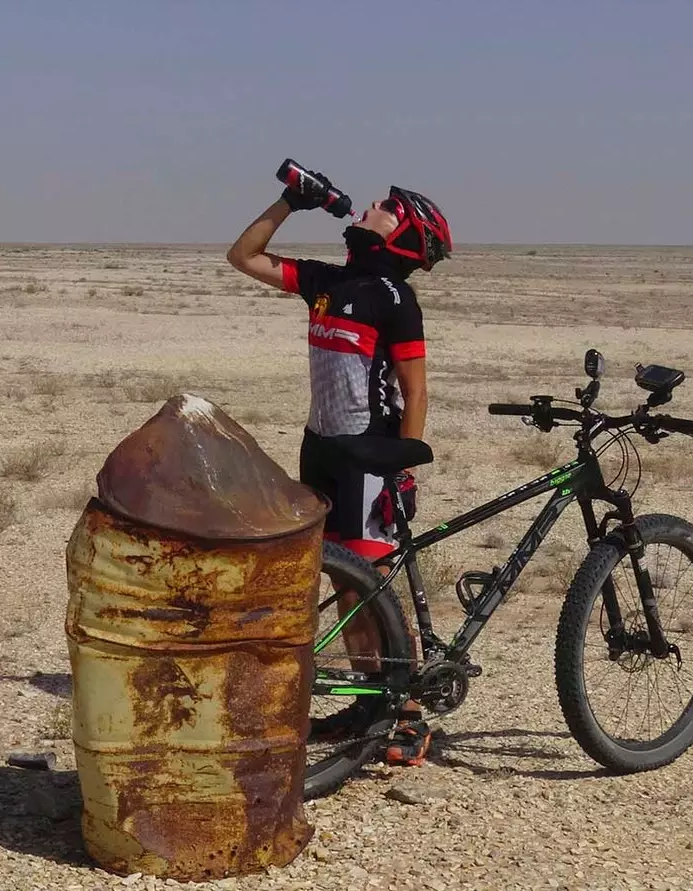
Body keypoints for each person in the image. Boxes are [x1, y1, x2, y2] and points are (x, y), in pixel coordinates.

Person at [226, 176, 452, 766]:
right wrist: (289, 204)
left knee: (367, 584)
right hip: (320, 446)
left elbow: (416, 390)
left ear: (400, 231)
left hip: (368, 453)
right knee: (339, 580)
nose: (370, 206)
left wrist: (403, 469)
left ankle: (406, 715)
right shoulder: (328, 281)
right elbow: (243, 256)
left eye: (385, 207)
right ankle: (368, 704)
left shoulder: (393, 297)